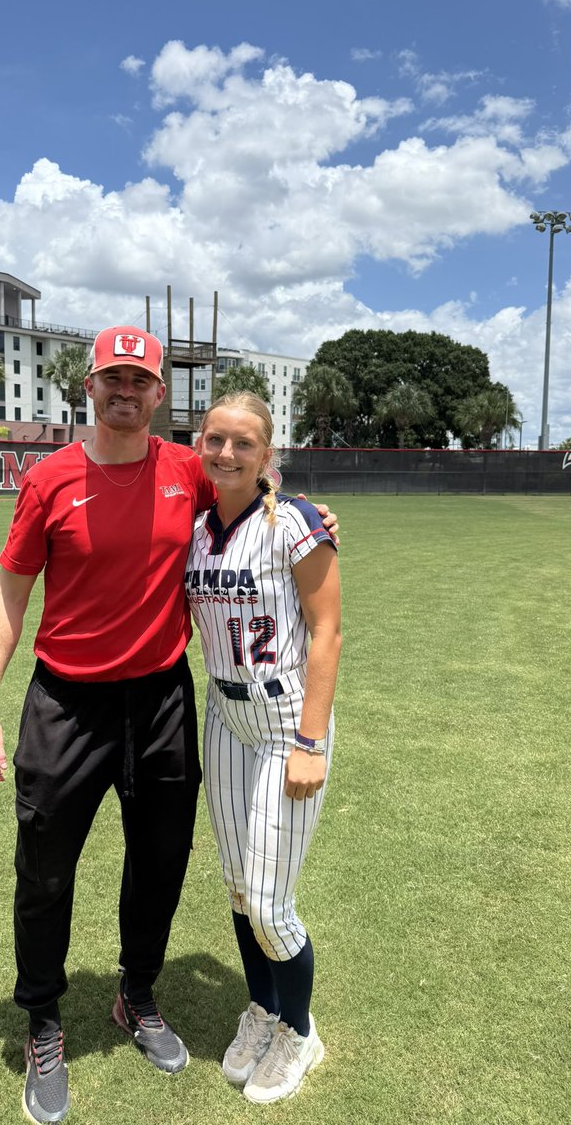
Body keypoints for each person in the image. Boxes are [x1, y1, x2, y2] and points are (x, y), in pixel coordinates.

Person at [0, 327, 336, 1124]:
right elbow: (9, 592)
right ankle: (42, 1019)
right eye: (112, 379)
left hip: (164, 697)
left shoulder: (185, 469)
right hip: (66, 702)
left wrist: (304, 509)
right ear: (89, 387)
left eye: (140, 380)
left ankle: (136, 995)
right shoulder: (50, 480)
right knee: (46, 866)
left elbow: (249, 493)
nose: (125, 392)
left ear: (160, 395)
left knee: (163, 858)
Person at [185, 392, 341, 1104]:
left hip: (284, 722)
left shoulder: (296, 523)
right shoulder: (191, 525)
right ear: (200, 444)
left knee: (273, 905)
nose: (226, 453)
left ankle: (301, 1032)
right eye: (215, 440)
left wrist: (311, 740)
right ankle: (266, 1009)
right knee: (241, 890)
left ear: (266, 455)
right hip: (224, 713)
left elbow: (327, 633)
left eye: (243, 443)